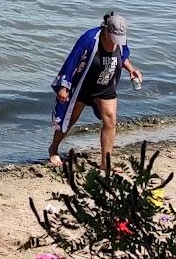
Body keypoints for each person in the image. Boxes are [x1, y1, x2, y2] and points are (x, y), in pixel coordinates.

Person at [48, 13, 142, 171]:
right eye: (113, 37)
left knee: (110, 121)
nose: (116, 41)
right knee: (70, 120)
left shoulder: (120, 40)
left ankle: (106, 163)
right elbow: (73, 60)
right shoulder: (90, 39)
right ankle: (53, 149)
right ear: (105, 29)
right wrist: (64, 87)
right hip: (84, 86)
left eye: (119, 38)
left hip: (106, 85)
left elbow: (123, 56)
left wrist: (131, 69)